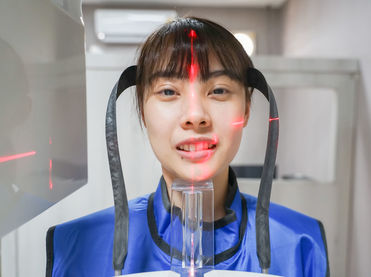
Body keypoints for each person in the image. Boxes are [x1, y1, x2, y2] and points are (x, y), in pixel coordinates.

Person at [46, 17, 329, 277]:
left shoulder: (301, 245)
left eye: (218, 90)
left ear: (246, 108)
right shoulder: (77, 247)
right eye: (168, 91)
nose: (195, 115)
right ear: (143, 112)